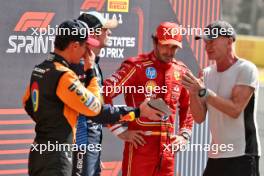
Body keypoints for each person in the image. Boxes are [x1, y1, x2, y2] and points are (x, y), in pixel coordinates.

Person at [22, 19, 163, 176]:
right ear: (75, 46)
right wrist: (91, 73)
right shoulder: (65, 76)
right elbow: (95, 108)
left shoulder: (41, 68)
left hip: (39, 151)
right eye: (84, 46)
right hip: (58, 158)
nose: (86, 52)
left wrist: (53, 121)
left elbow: (28, 103)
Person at [103, 22, 194, 176]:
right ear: (155, 42)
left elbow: (189, 105)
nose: (170, 52)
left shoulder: (181, 70)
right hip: (140, 148)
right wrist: (119, 130)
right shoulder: (137, 66)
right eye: (166, 46)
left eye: (174, 47)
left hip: (167, 152)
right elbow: (104, 92)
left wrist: (184, 134)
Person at [182, 20, 261, 176]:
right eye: (205, 41)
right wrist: (192, 92)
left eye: (212, 40)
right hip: (216, 155)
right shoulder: (206, 73)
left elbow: (235, 110)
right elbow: (199, 118)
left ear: (229, 41)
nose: (207, 46)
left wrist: (203, 92)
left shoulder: (246, 68)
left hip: (243, 155)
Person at [70, 11, 119, 176]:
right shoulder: (80, 65)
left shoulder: (91, 63)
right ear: (93, 33)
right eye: (105, 29)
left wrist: (94, 153)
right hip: (81, 145)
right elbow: (86, 111)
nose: (109, 33)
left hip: (88, 146)